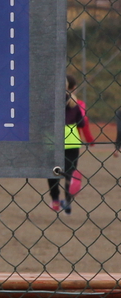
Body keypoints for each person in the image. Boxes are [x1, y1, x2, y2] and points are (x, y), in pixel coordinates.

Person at [50, 74, 95, 214]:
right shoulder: (75, 103)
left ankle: (55, 199)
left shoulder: (49, 103)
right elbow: (82, 123)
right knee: (69, 169)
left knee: (52, 171)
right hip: (72, 140)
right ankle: (68, 200)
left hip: (53, 140)